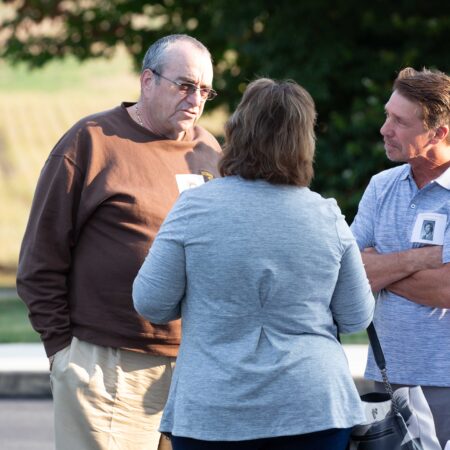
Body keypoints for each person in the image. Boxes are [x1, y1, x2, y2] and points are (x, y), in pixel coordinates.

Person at [133, 78, 375, 450]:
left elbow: (151, 303)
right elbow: (357, 316)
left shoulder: (194, 207)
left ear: (238, 130)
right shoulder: (326, 214)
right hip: (314, 407)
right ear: (304, 142)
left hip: (213, 410)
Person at [16, 34, 221, 450]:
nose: (195, 99)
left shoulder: (209, 150)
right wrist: (63, 354)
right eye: (184, 85)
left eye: (204, 90)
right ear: (147, 81)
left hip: (193, 370)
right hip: (108, 368)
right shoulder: (91, 141)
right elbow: (40, 258)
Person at [351, 67, 450, 448]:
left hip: (444, 381)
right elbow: (353, 271)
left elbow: (445, 289)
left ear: (439, 133)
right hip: (386, 378)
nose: (384, 129)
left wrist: (382, 266)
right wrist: (419, 260)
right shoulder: (381, 186)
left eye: (399, 121)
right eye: (387, 115)